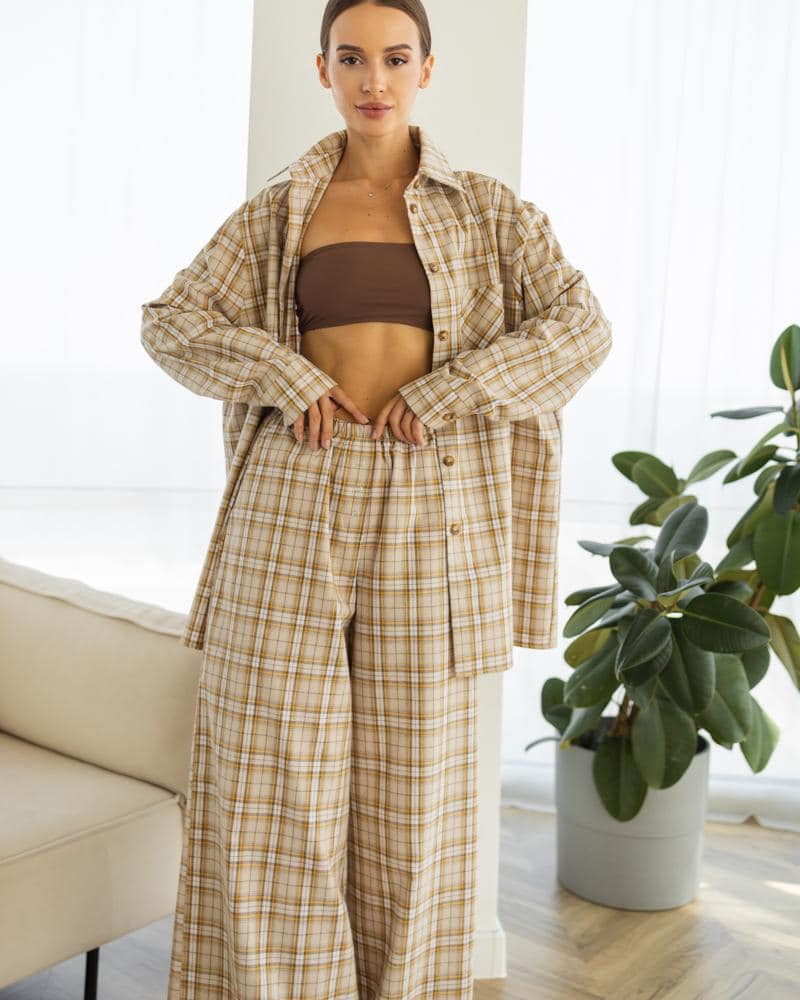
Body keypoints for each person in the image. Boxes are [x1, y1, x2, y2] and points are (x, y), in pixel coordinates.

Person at [140, 2, 613, 997]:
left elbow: (581, 328)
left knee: (414, 798)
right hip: (292, 495)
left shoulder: (490, 213)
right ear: (322, 69)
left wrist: (452, 389)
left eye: (395, 58)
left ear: (426, 68)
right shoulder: (279, 210)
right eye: (351, 58)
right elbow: (171, 321)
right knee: (271, 785)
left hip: (430, 508)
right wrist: (281, 372)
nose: (373, 80)